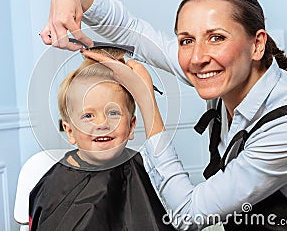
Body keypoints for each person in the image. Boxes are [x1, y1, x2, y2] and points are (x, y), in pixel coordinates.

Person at [39, 0, 287, 230]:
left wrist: (145, 99)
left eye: (217, 38)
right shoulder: (220, 72)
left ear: (257, 44)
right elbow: (134, 31)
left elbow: (188, 215)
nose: (198, 57)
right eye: (186, 40)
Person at [28, 47, 176, 231]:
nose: (102, 123)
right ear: (70, 131)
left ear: (131, 126)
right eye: (88, 116)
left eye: (113, 113)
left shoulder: (146, 169)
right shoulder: (55, 187)